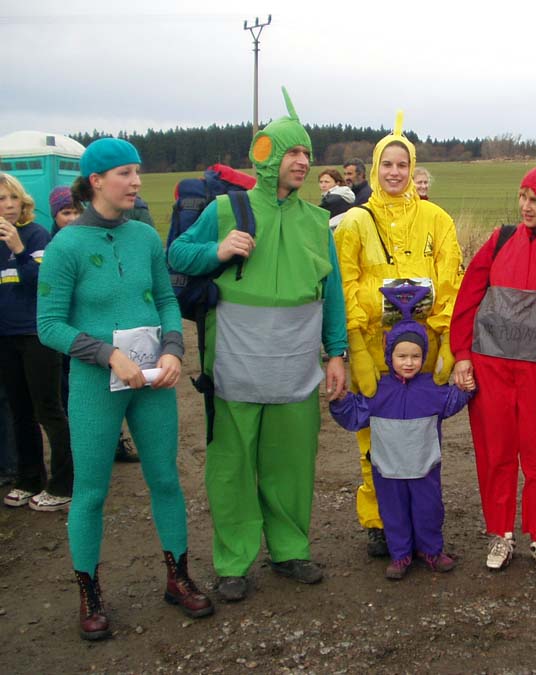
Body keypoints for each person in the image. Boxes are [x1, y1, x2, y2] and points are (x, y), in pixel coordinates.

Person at [168, 88, 348, 602]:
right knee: (232, 464)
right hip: (235, 360)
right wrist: (217, 249)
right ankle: (234, 560)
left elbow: (332, 291)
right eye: (293, 152)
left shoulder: (316, 220)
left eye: (307, 153)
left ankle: (290, 550)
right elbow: (177, 254)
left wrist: (336, 352)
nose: (303, 161)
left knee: (291, 461)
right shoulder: (227, 208)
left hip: (295, 362)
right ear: (267, 155)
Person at [37, 138, 213, 640]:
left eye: (137, 171)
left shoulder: (144, 237)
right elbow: (49, 325)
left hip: (153, 381)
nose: (136, 182)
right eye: (125, 173)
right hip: (97, 385)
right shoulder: (66, 246)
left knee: (166, 479)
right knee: (91, 492)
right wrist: (107, 354)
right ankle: (89, 593)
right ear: (95, 181)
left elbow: (165, 299)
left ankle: (178, 577)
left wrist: (173, 348)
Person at [334, 112, 463, 559]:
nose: (394, 172)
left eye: (402, 165)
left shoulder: (436, 219)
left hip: (422, 351)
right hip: (373, 349)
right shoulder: (355, 222)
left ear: (413, 168)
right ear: (375, 168)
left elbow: (451, 281)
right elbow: (343, 285)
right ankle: (379, 520)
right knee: (374, 439)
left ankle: (422, 524)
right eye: (387, 164)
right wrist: (355, 347)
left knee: (421, 438)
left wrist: (448, 342)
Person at [450, 145, 536, 574]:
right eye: (523, 196)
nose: (526, 206)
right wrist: (461, 355)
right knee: (495, 453)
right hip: (491, 368)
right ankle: (500, 533)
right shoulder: (500, 239)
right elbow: (468, 298)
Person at [330, 284, 473, 579]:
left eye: (415, 356)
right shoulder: (378, 391)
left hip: (425, 466)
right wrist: (340, 401)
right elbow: (354, 415)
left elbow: (451, 401)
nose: (409, 363)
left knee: (429, 509)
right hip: (388, 469)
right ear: (389, 355)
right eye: (402, 356)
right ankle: (400, 555)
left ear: (424, 356)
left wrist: (466, 389)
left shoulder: (431, 389)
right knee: (393, 513)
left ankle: (431, 551)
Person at [49, 186, 140, 464]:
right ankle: (81, 451)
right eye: (65, 213)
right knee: (70, 395)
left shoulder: (131, 237)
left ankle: (115, 441)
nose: (72, 218)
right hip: (71, 342)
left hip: (101, 345)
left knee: (110, 390)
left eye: (75, 212)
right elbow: (50, 318)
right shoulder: (58, 246)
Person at [0, 173, 74, 512]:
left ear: (23, 202)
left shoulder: (36, 234)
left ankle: (63, 484)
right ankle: (29, 479)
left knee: (49, 410)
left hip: (36, 335)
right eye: (1, 199)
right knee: (19, 412)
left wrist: (18, 249)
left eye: (13, 198)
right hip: (5, 337)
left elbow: (43, 284)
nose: (8, 205)